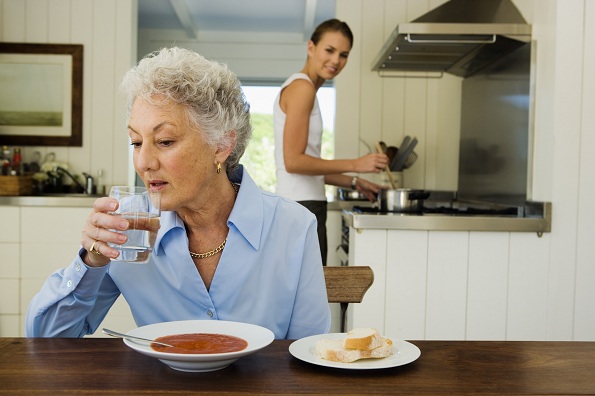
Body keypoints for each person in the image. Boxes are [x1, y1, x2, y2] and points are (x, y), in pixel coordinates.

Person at [26, 47, 330, 340]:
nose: (144, 163)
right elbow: (46, 337)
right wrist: (92, 259)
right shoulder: (129, 227)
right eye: (135, 142)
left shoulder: (294, 227)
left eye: (165, 141)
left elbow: (308, 352)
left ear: (221, 145)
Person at [273, 19, 388, 265]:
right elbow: (294, 162)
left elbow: (308, 169)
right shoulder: (302, 88)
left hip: (301, 204)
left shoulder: (305, 89)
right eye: (329, 50)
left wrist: (355, 182)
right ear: (311, 47)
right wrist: (356, 164)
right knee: (309, 297)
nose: (336, 60)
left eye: (343, 54)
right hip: (302, 207)